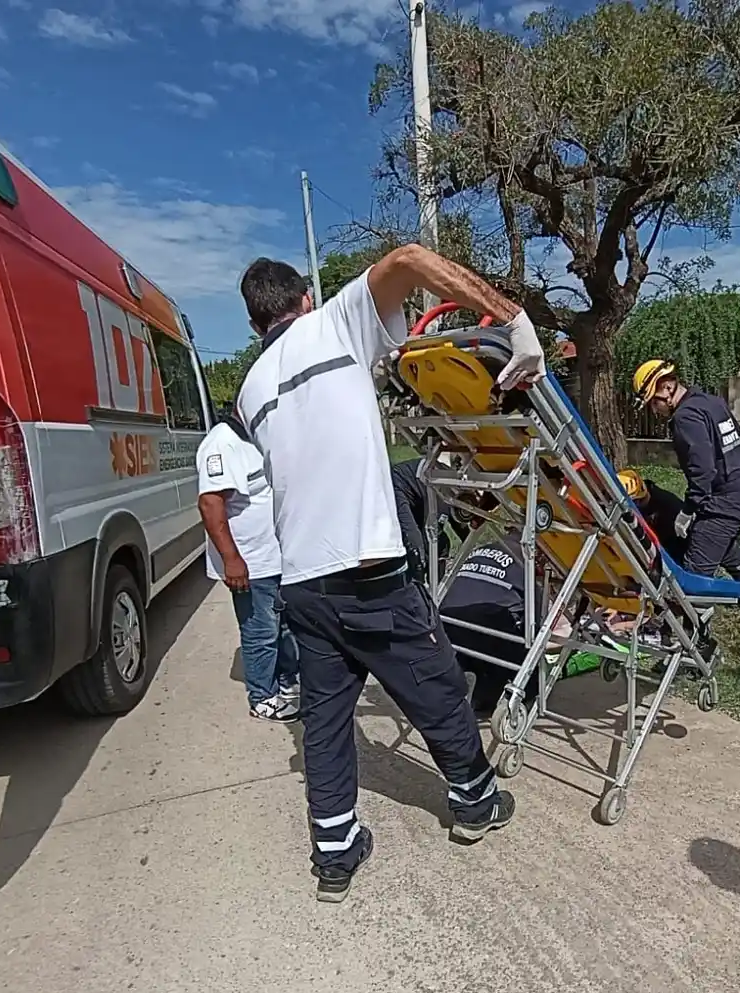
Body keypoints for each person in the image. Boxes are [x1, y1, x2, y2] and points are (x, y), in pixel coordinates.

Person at [233, 246, 543, 903]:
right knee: (433, 685)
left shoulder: (251, 386)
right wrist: (513, 318)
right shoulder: (334, 324)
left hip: (304, 585)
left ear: (256, 322)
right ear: (305, 301)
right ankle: (475, 798)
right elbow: (407, 259)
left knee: (324, 720)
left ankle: (336, 853)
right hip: (369, 571)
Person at [630, 359, 740, 607]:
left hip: (727, 499)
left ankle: (693, 636)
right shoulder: (708, 401)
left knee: (694, 577)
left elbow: (702, 470)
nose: (654, 410)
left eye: (654, 402)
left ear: (667, 388)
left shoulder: (686, 417)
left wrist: (689, 510)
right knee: (716, 541)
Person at [195, 414, 300, 722]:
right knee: (260, 632)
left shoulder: (258, 438)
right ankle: (263, 698)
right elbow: (209, 504)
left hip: (276, 557)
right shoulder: (222, 443)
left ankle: (285, 681)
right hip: (251, 563)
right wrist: (232, 560)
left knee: (283, 626)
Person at [439, 536, 545, 721]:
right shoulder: (530, 561)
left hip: (447, 619)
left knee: (471, 642)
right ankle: (488, 696)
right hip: (488, 624)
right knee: (527, 668)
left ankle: (466, 673)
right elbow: (534, 623)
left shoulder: (482, 547)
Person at [390, 454, 469, 585]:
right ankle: (418, 586)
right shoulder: (445, 492)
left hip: (421, 494)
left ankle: (435, 588)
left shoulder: (456, 493)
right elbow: (431, 531)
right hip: (400, 485)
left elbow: (463, 530)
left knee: (441, 544)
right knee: (415, 542)